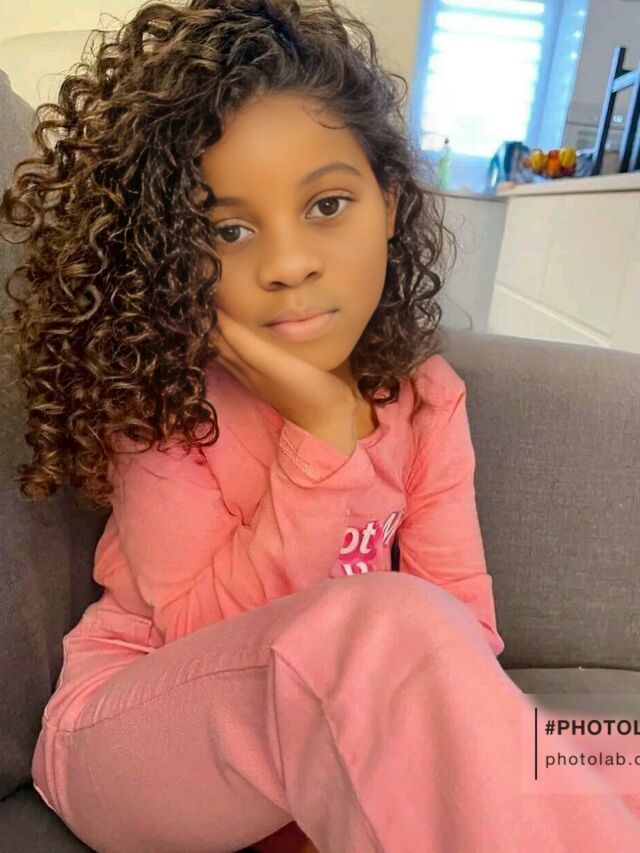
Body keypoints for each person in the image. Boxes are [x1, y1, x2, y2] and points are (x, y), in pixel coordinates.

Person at [1, 1, 639, 851]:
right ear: (173, 254)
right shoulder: (161, 405)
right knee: (389, 621)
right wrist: (325, 432)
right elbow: (203, 639)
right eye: (229, 229)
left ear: (390, 203)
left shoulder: (427, 401)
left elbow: (465, 627)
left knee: (603, 753)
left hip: (325, 749)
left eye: (328, 205)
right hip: (131, 730)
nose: (289, 262)